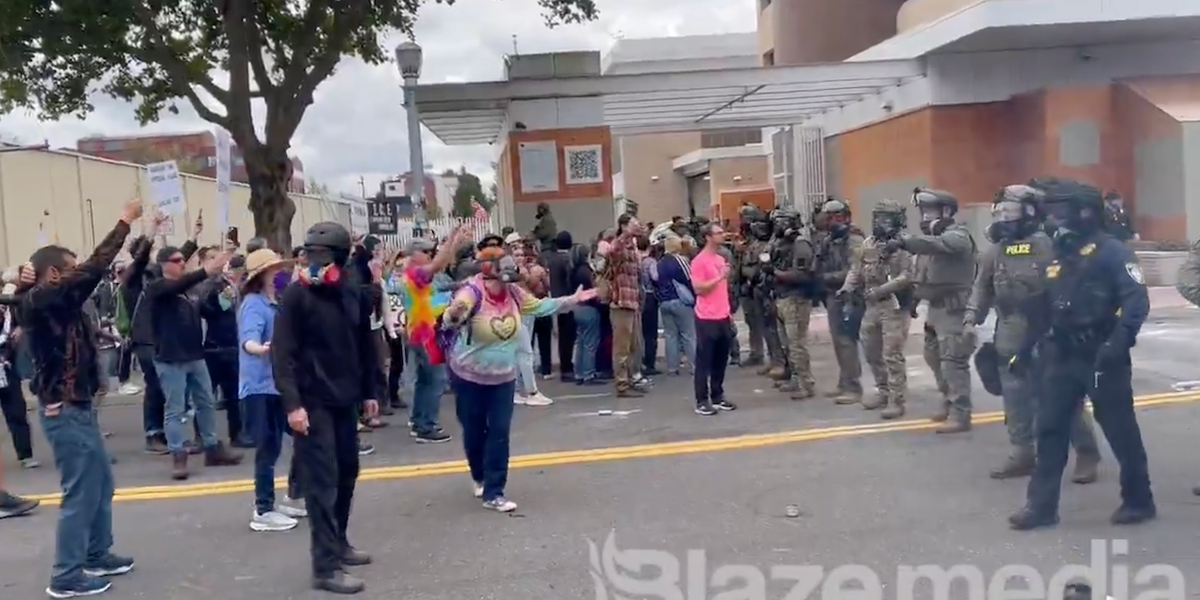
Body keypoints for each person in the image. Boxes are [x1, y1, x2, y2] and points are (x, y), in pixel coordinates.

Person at [1007, 179, 1155, 530]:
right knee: (1050, 429)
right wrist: (1025, 351)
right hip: (1061, 354)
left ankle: (1139, 500)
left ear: (1086, 211)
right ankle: (1041, 507)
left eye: (1063, 210)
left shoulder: (1113, 251)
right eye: (1053, 209)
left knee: (1121, 432)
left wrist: (1117, 345)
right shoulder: (1061, 251)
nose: (1056, 217)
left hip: (1101, 354)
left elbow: (1136, 302)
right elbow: (1044, 307)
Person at [21, 197, 142, 598]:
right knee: (81, 488)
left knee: (101, 482)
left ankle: (96, 552)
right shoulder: (40, 301)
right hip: (63, 408)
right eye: (69, 269)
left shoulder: (60, 303)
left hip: (80, 405)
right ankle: (65, 575)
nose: (80, 275)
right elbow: (92, 269)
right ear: (53, 273)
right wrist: (123, 222)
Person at [273, 222, 384, 594]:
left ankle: (339, 543)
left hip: (345, 398)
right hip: (311, 401)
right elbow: (282, 354)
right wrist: (292, 405)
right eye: (311, 254)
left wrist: (370, 392)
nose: (316, 263)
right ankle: (324, 567)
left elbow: (364, 344)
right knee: (321, 484)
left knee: (347, 473)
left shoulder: (349, 292)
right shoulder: (296, 296)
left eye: (325, 256)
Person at [441, 245, 595, 511]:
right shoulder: (472, 291)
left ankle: (494, 491)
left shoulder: (513, 293)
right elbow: (454, 313)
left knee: (499, 432)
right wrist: (453, 314)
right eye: (504, 262)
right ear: (489, 268)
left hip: (503, 378)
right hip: (468, 377)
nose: (512, 266)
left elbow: (540, 306)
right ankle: (479, 475)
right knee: (475, 432)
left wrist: (571, 300)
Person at [966, 184, 1101, 482]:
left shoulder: (1050, 246)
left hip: (1047, 332)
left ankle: (1086, 452)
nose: (1005, 217)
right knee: (1015, 398)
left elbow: (1074, 285)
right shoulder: (996, 250)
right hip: (1010, 333)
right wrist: (970, 320)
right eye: (1001, 212)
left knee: (1061, 398)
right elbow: (981, 289)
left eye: (1010, 211)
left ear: (1030, 212)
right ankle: (1022, 453)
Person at [145, 241, 243, 479]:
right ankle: (178, 455)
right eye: (177, 261)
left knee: (206, 403)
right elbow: (184, 282)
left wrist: (224, 300)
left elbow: (207, 311)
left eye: (182, 260)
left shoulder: (189, 291)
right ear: (164, 265)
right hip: (170, 358)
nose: (182, 264)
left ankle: (212, 448)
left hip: (195, 355)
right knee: (175, 408)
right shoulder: (157, 287)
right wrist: (209, 267)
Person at [891, 188, 978, 433]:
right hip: (936, 309)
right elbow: (924, 275)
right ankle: (948, 399)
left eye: (930, 210)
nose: (925, 216)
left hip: (954, 309)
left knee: (953, 362)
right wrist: (915, 301)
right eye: (923, 211)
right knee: (933, 357)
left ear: (947, 211)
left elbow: (939, 246)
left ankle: (962, 414)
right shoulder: (930, 242)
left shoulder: (957, 235)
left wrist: (906, 241)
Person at [238, 248, 307, 533]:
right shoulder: (253, 304)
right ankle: (263, 509)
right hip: (258, 387)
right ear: (262, 274)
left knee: (303, 436)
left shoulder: (274, 302)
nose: (279, 272)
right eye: (274, 269)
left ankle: (294, 495)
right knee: (268, 447)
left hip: (277, 385)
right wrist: (263, 349)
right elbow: (248, 340)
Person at [837, 199, 913, 419]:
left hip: (894, 307)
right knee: (871, 351)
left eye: (886, 218)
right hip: (871, 306)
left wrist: (882, 290)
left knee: (892, 354)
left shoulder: (904, 245)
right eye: (878, 218)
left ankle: (897, 399)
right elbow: (856, 269)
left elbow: (907, 276)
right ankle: (883, 390)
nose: (881, 223)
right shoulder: (868, 244)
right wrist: (847, 288)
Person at [396, 228, 469, 444]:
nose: (430, 254)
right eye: (426, 251)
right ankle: (427, 426)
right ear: (415, 253)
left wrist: (452, 245)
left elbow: (437, 281)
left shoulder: (413, 274)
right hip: (424, 333)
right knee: (436, 380)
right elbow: (438, 265)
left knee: (425, 380)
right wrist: (452, 241)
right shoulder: (416, 273)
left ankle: (419, 421)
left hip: (418, 332)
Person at [201, 255, 254, 448]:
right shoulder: (213, 286)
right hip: (215, 346)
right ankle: (204, 436)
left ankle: (237, 433)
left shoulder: (233, 286)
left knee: (233, 394)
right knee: (207, 394)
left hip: (230, 345)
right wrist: (224, 294)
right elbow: (217, 308)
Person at [817, 199, 865, 403]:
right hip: (833, 295)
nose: (835, 221)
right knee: (839, 341)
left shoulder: (853, 239)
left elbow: (855, 271)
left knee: (846, 340)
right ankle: (844, 381)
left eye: (839, 217)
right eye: (831, 217)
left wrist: (827, 278)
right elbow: (820, 264)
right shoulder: (829, 240)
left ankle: (853, 386)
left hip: (851, 296)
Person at [768, 209, 818, 400]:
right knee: (787, 344)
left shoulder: (800, 244)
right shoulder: (782, 243)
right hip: (782, 297)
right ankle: (796, 378)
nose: (776, 227)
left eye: (780, 223)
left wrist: (776, 273)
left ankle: (806, 383)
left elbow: (802, 275)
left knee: (797, 344)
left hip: (796, 299)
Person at [690, 223, 737, 416]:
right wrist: (719, 277)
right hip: (706, 317)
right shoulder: (699, 261)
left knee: (721, 359)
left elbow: (723, 291)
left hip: (722, 315)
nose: (722, 235)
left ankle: (718, 395)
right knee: (704, 360)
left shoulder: (721, 259)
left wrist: (729, 314)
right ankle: (702, 399)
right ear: (708, 237)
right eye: (718, 233)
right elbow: (699, 288)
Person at [602, 214, 645, 398]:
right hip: (621, 302)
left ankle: (631, 378)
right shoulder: (618, 246)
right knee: (621, 348)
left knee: (634, 345)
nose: (637, 226)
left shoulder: (633, 247)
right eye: (633, 223)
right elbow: (614, 252)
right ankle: (621, 384)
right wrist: (626, 234)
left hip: (632, 302)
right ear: (624, 226)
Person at [655, 236, 696, 376]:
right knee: (688, 334)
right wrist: (695, 297)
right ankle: (694, 366)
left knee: (670, 335)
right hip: (680, 300)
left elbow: (655, 281)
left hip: (664, 302)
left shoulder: (659, 263)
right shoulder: (680, 260)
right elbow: (689, 279)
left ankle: (672, 367)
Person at [568, 244, 603, 385]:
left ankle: (579, 373)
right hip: (589, 308)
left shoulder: (573, 270)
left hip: (577, 307)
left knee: (581, 341)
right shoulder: (587, 271)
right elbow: (594, 289)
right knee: (590, 343)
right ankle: (589, 374)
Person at [545, 231, 577, 381]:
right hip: (568, 300)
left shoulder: (551, 259)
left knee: (562, 335)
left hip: (556, 299)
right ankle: (567, 368)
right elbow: (570, 278)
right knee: (568, 336)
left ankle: (564, 365)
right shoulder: (567, 259)